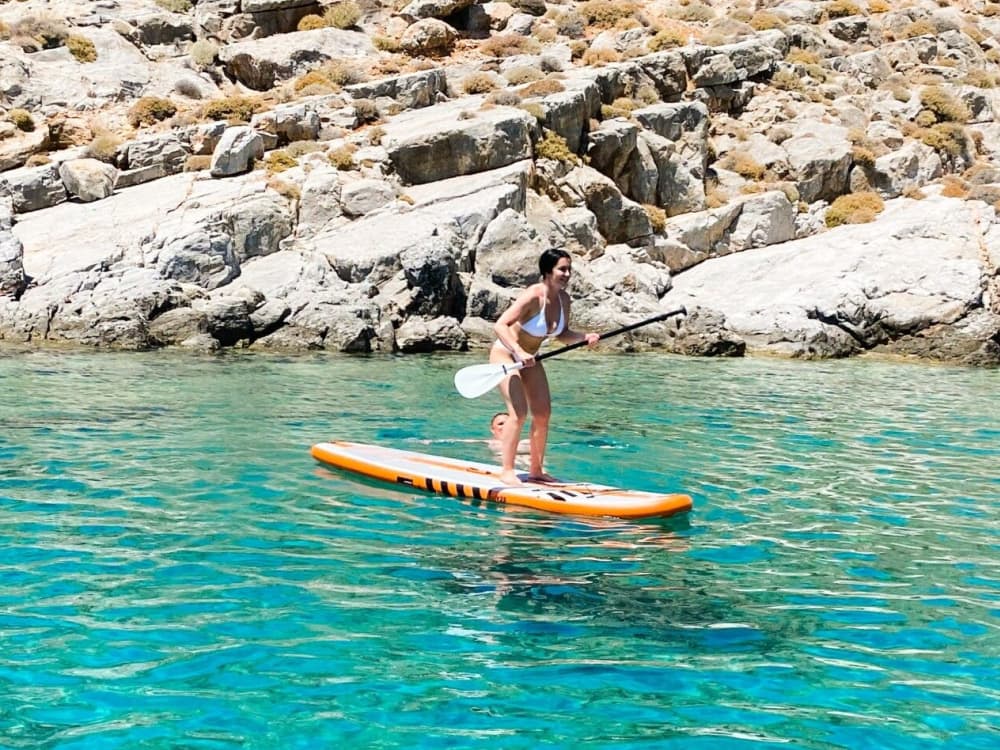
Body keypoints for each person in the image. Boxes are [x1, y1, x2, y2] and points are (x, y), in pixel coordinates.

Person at [491, 248, 599, 485]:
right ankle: (507, 471)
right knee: (519, 413)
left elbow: (563, 334)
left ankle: (536, 471)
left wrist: (584, 337)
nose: (567, 273)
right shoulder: (533, 296)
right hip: (506, 355)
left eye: (569, 269)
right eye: (562, 269)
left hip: (532, 358)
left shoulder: (564, 300)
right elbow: (501, 325)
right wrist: (518, 351)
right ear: (547, 271)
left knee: (542, 414)